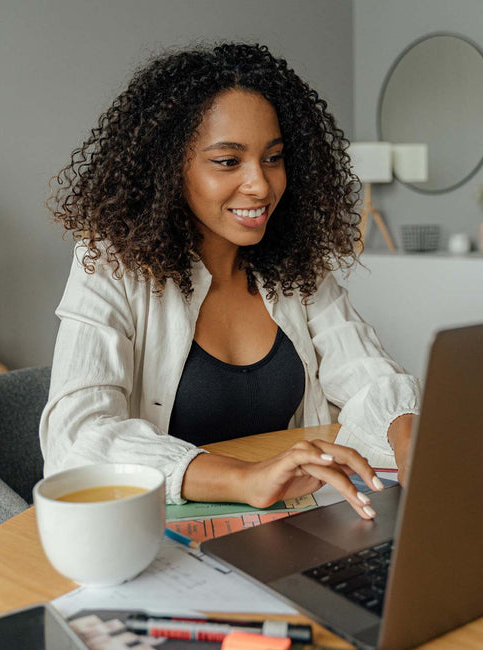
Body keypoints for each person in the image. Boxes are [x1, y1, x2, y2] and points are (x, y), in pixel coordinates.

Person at [40, 42, 421, 520]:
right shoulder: (112, 264)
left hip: (290, 520)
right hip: (158, 534)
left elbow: (367, 372)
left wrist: (413, 448)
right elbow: (76, 436)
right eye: (227, 161)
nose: (260, 185)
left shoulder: (294, 263)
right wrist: (245, 479)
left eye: (274, 157)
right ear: (169, 167)